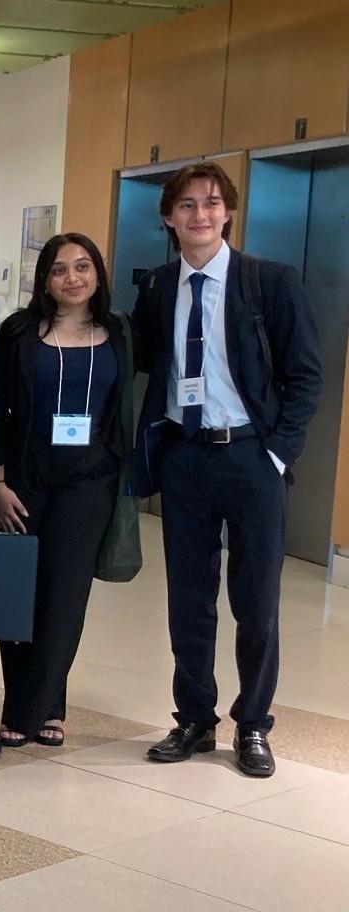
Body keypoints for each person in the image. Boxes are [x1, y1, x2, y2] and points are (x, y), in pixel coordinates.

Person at [136, 162, 321, 778]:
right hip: (185, 457)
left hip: (251, 459)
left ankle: (253, 724)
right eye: (187, 205)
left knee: (256, 601)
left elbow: (305, 375)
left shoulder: (268, 282)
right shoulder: (160, 288)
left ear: (229, 213)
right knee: (188, 599)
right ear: (168, 217)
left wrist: (277, 454)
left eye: (212, 203)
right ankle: (193, 718)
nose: (201, 215)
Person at [0, 233, 134, 747]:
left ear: (98, 274)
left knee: (65, 599)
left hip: (89, 484)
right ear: (44, 280)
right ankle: (23, 702)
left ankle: (42, 708)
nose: (72, 278)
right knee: (18, 594)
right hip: (23, 481)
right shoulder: (19, 334)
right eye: (59, 269)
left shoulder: (118, 333)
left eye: (82, 267)